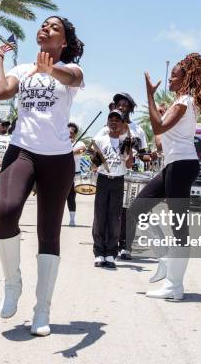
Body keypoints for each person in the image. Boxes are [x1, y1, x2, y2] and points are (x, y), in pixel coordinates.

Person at [0, 15, 84, 336]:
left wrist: (50, 69)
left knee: (49, 233)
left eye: (54, 27)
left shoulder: (73, 71)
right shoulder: (21, 70)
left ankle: (42, 309)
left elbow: (70, 80)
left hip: (58, 159)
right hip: (23, 151)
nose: (46, 29)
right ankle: (12, 283)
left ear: (64, 42)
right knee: (4, 213)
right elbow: (1, 91)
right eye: (44, 25)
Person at [134, 52, 201, 300]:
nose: (168, 79)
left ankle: (174, 285)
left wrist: (149, 95)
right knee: (137, 209)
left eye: (173, 75)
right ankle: (165, 259)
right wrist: (159, 112)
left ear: (186, 77)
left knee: (179, 226)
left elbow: (158, 127)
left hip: (182, 166)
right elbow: (160, 140)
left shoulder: (184, 102)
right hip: (174, 164)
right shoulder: (179, 103)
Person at [95, 92, 151, 260]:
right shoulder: (107, 128)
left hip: (130, 174)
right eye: (120, 105)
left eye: (126, 106)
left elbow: (144, 154)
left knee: (128, 212)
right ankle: (104, 249)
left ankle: (125, 246)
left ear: (130, 109)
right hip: (109, 174)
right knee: (107, 213)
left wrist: (148, 156)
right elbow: (97, 153)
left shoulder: (137, 130)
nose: (122, 108)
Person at [91, 110, 134, 269]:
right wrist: (94, 157)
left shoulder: (126, 141)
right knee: (100, 216)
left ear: (123, 124)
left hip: (118, 181)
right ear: (107, 122)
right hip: (103, 180)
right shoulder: (101, 140)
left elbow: (129, 165)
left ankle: (110, 253)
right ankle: (99, 253)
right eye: (111, 119)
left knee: (115, 218)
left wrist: (129, 150)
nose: (114, 122)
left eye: (118, 120)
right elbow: (94, 164)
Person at [67, 122, 86, 226]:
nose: (69, 134)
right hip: (62, 174)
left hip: (75, 174)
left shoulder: (80, 143)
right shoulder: (61, 143)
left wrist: (68, 152)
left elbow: (81, 150)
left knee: (71, 197)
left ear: (75, 134)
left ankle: (72, 219)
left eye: (71, 133)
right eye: (67, 132)